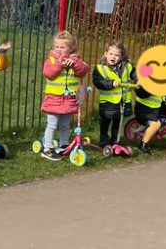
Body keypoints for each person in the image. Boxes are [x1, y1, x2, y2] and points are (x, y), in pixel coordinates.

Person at [39, 30, 90, 160]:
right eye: (57, 47)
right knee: (52, 123)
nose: (59, 49)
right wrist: (60, 64)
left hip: (69, 99)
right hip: (54, 98)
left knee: (65, 124)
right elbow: (49, 73)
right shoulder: (50, 60)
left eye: (63, 47)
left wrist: (75, 63)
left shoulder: (76, 61)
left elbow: (84, 70)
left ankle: (64, 144)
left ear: (71, 48)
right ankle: (47, 147)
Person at [92, 41, 135, 147]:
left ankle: (115, 141)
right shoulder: (100, 68)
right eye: (111, 54)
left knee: (118, 122)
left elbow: (135, 74)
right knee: (105, 122)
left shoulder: (127, 67)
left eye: (116, 55)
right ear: (106, 54)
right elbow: (98, 82)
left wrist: (138, 79)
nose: (113, 57)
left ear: (121, 57)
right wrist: (111, 83)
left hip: (123, 101)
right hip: (108, 102)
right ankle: (103, 140)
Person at [134, 84, 166, 154]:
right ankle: (143, 144)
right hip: (144, 110)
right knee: (156, 124)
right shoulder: (147, 81)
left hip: (157, 110)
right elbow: (140, 93)